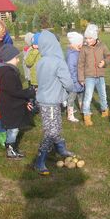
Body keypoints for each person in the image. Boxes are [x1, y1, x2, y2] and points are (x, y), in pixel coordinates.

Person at [34, 30, 75, 176]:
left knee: (55, 126)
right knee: (51, 131)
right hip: (51, 103)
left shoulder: (41, 61)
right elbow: (68, 83)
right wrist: (71, 90)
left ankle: (61, 149)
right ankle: (39, 161)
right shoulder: (58, 62)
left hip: (44, 101)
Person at [0, 45, 35, 159]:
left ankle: (10, 146)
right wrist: (29, 92)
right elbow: (15, 91)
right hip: (10, 107)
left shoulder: (6, 71)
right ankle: (10, 150)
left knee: (12, 128)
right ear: (9, 58)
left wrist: (25, 101)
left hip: (10, 105)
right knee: (13, 129)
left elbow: (14, 92)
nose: (18, 60)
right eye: (16, 58)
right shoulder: (8, 73)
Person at [78, 24, 110, 126]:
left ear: (95, 37)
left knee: (103, 94)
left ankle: (105, 110)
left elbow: (109, 56)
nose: (87, 40)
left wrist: (105, 62)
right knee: (88, 96)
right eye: (86, 38)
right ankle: (86, 115)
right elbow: (80, 64)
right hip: (89, 77)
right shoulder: (84, 49)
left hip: (100, 76)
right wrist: (81, 78)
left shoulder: (102, 46)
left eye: (90, 38)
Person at [66, 32, 85, 123]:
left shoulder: (77, 52)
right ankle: (70, 115)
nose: (82, 44)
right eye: (81, 43)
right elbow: (72, 69)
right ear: (76, 44)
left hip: (80, 79)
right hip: (74, 81)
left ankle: (83, 110)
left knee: (81, 95)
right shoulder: (72, 55)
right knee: (71, 98)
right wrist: (75, 80)